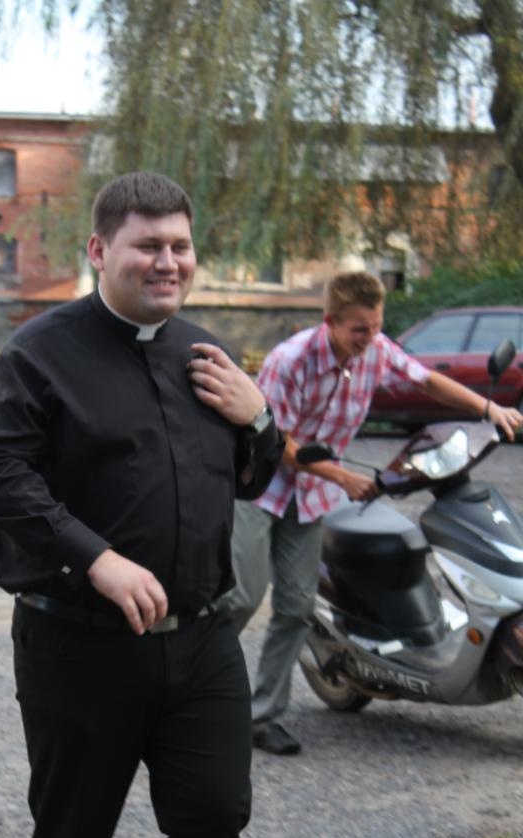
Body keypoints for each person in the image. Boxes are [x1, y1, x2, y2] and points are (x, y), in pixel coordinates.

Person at [0, 172, 283, 838]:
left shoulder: (205, 354)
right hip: (79, 646)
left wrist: (260, 418)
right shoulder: (40, 354)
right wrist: (93, 557)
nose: (168, 261)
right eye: (149, 245)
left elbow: (254, 476)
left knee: (213, 819)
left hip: (202, 641)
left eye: (180, 245)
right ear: (101, 250)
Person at [221, 269, 523, 756]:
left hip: (310, 497)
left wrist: (488, 410)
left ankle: (262, 716)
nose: (370, 338)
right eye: (359, 329)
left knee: (296, 608)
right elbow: (274, 440)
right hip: (259, 487)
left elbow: (426, 380)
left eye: (377, 326)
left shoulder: (376, 350)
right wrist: (343, 478)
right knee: (240, 599)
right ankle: (184, 696)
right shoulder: (290, 360)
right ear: (330, 321)